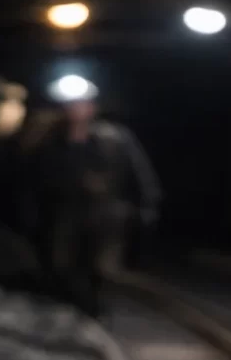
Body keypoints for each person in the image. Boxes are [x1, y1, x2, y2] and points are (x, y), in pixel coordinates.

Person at [20, 78, 162, 317]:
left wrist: (146, 207)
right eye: (71, 104)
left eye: (81, 104)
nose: (76, 109)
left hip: (104, 216)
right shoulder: (49, 139)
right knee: (60, 266)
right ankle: (68, 313)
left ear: (92, 107)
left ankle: (92, 313)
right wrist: (30, 213)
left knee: (100, 269)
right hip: (61, 215)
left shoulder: (115, 138)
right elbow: (32, 179)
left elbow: (140, 174)